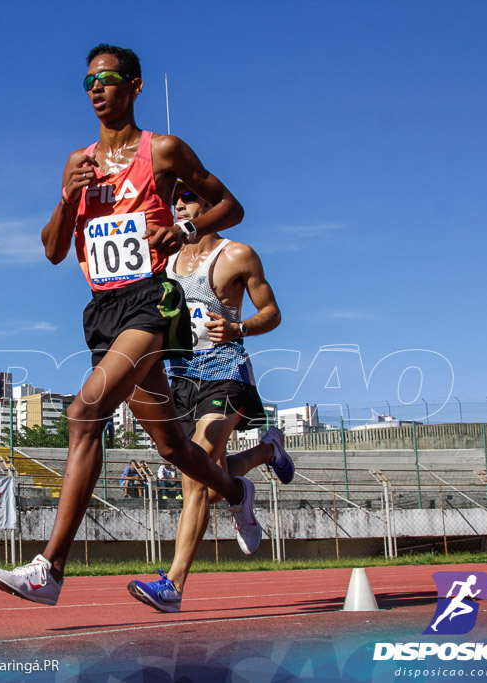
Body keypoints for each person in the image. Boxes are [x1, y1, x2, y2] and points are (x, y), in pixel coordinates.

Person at [0, 44, 254, 606]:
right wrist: (67, 194)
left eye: (108, 79)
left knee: (85, 413)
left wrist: (185, 232)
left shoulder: (163, 152)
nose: (96, 89)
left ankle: (50, 568)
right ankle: (235, 488)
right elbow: (54, 251)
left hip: (152, 303)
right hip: (103, 313)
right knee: (174, 449)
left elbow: (230, 206)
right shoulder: (78, 162)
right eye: (87, 82)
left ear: (134, 86)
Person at [126, 185, 294, 613]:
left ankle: (173, 585)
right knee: (205, 479)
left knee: (196, 475)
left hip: (226, 374)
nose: (178, 205)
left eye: (189, 197)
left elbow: (272, 311)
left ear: (211, 208)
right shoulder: (164, 261)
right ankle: (257, 464)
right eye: (175, 199)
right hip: (180, 377)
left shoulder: (237, 255)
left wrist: (240, 329)